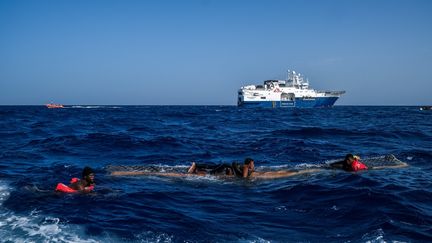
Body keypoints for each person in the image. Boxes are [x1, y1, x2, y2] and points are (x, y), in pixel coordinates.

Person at [110, 158, 319, 179]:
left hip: (220, 170)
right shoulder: (245, 169)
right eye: (252, 164)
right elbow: (245, 180)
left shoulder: (244, 167)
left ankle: (120, 172)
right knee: (178, 175)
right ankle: (121, 172)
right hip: (219, 171)